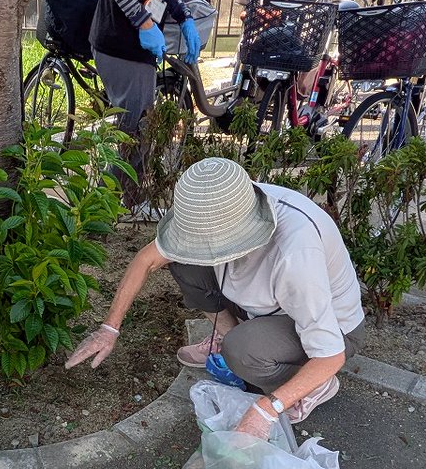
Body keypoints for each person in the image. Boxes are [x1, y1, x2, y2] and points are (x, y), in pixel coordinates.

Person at [65, 157, 366, 438]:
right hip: (265, 305)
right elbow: (146, 260)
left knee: (241, 352)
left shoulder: (295, 254)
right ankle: (237, 337)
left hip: (332, 330)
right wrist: (108, 329)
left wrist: (266, 409)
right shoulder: (219, 206)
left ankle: (312, 384)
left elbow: (331, 354)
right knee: (184, 264)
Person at [90, 0, 202, 194]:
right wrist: (143, 22)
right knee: (136, 133)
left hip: (138, 46)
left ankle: (124, 203)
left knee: (141, 131)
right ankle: (103, 207)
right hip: (118, 43)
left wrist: (184, 16)